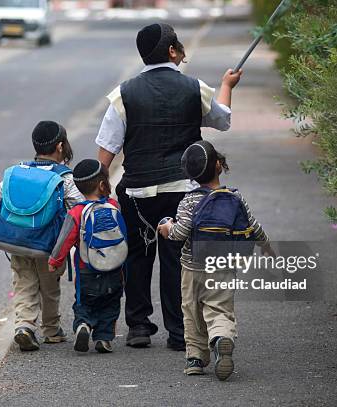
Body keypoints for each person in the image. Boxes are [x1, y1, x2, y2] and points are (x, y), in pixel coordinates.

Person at [96, 22, 243, 350]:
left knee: (137, 257)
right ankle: (179, 333)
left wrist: (99, 189)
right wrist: (226, 85)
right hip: (184, 192)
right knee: (177, 260)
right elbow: (223, 120)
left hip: (137, 194)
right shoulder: (195, 89)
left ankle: (138, 327)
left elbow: (107, 150)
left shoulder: (124, 94)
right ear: (173, 51)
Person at [158, 140, 275, 381]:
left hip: (192, 267)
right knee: (219, 309)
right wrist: (266, 246)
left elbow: (179, 234)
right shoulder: (235, 197)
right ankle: (222, 337)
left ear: (190, 176)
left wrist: (166, 227)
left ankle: (195, 358)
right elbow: (253, 226)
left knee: (191, 312)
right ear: (219, 166)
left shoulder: (189, 201)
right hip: (224, 267)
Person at [0, 121, 83, 351]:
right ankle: (51, 330)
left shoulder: (19, 171)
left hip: (17, 240)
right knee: (49, 285)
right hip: (48, 244)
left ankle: (24, 326)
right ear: (60, 146)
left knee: (23, 282)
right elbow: (78, 206)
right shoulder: (65, 178)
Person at [48, 159, 125, 354]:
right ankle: (103, 338)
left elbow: (64, 240)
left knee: (84, 303)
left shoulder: (77, 212)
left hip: (87, 270)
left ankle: (83, 324)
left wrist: (54, 261)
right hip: (114, 269)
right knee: (110, 305)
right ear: (102, 185)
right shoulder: (114, 205)